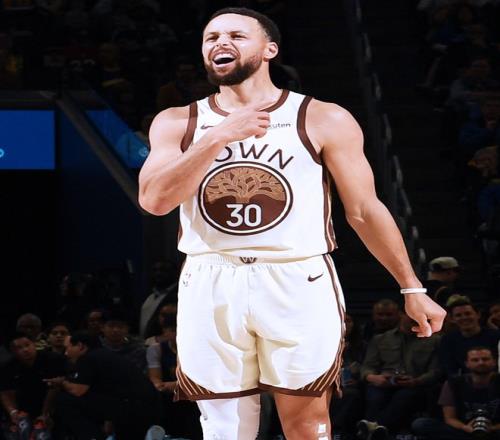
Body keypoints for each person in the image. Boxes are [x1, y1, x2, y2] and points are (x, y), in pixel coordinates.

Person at [138, 7, 446, 439]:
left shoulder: (322, 117)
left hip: (296, 275)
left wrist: (412, 288)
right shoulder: (177, 121)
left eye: (236, 35)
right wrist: (218, 136)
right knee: (223, 428)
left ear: (270, 49)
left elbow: (364, 210)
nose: (220, 43)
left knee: (306, 425)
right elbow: (154, 201)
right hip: (210, 275)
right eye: (211, 37)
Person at [48, 332, 161, 440]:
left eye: (68, 348)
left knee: (65, 400)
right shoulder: (106, 356)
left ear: (80, 346)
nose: (66, 353)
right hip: (147, 405)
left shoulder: (88, 358)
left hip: (131, 406)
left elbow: (78, 391)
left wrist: (61, 382)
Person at [357, 313, 442, 437]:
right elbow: (368, 366)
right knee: (375, 396)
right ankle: (377, 431)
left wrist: (417, 381)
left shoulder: (434, 340)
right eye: (412, 315)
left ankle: (371, 429)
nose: (416, 319)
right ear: (402, 315)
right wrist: (372, 377)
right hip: (384, 382)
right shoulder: (380, 339)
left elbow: (436, 371)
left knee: (404, 396)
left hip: (415, 384)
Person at [412, 346, 500, 439]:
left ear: (494, 362)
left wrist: (492, 428)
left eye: (485, 359)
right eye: (475, 360)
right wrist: (465, 427)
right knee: (420, 424)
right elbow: (449, 418)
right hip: (463, 428)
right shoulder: (453, 383)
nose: (481, 363)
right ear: (467, 364)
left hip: (494, 429)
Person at [0, 333, 67, 436]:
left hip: (51, 404)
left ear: (34, 344)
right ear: (13, 351)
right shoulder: (8, 366)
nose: (25, 350)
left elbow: (54, 388)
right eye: (19, 348)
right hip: (23, 405)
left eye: (27, 345)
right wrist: (13, 412)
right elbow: (5, 391)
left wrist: (45, 413)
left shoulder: (53, 359)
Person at [439, 299, 500, 378]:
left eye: (468, 313)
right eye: (458, 315)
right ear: (452, 319)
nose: (464, 317)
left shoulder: (496, 336)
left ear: (478, 315)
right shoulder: (447, 340)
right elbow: (449, 369)